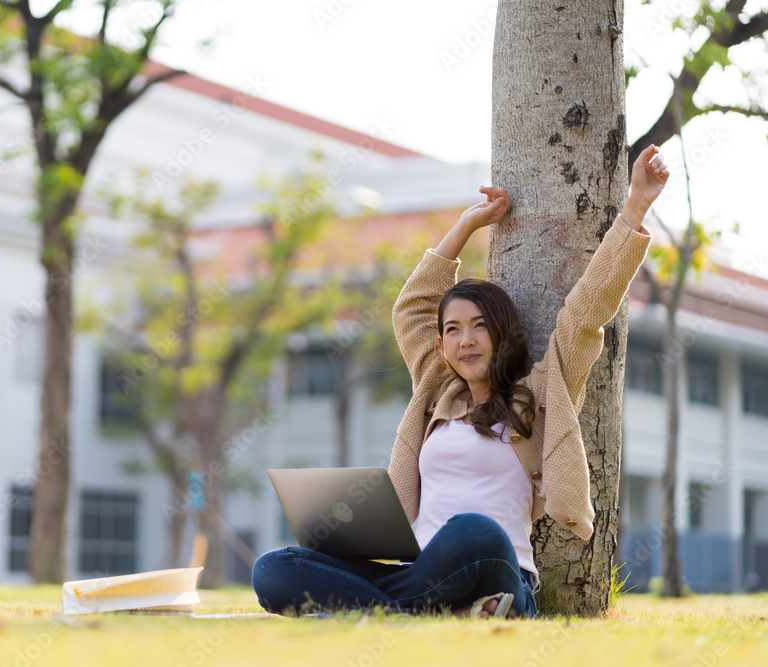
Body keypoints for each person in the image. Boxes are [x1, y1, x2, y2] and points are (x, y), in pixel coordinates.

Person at [252, 144, 670, 618]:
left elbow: (586, 314)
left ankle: (376, 613)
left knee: (474, 531)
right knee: (275, 567)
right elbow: (411, 308)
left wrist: (636, 205)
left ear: (502, 334)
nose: (465, 339)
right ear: (442, 345)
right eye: (452, 329)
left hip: (494, 567)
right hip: (421, 571)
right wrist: (465, 226)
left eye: (478, 326)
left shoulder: (540, 394)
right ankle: (409, 617)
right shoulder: (435, 391)